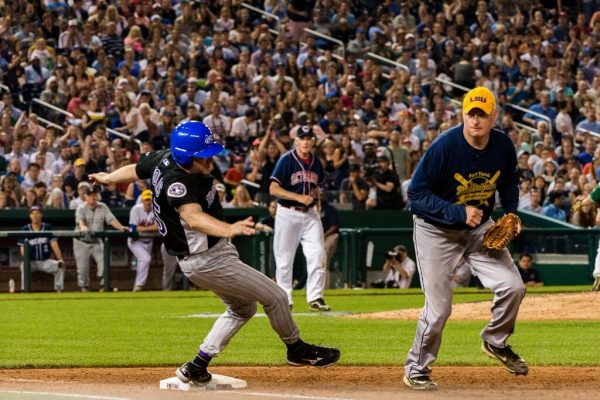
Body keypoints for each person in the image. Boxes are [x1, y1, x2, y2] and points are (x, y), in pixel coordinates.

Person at [89, 121, 340, 386]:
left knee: (242, 309)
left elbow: (136, 169)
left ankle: (196, 366)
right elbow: (194, 217)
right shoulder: (180, 181)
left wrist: (107, 177)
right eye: (204, 155)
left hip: (207, 256)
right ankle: (296, 349)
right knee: (277, 296)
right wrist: (228, 228)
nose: (210, 159)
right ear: (187, 156)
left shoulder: (164, 158)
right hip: (206, 259)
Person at [404, 87, 528, 391]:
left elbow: (510, 182)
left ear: (494, 117)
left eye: (482, 114)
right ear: (463, 114)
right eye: (471, 113)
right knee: (439, 308)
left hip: (478, 228)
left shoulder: (503, 146)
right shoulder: (444, 147)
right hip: (435, 230)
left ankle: (495, 341)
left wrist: (510, 212)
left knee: (513, 286)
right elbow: (415, 195)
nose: (475, 120)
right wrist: (458, 212)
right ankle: (416, 368)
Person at [269, 125, 330, 312]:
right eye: (302, 138)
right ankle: (285, 298)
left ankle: (315, 297)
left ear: (313, 141)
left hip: (310, 213)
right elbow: (273, 189)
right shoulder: (286, 160)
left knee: (318, 253)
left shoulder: (316, 162)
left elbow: (317, 186)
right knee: (285, 258)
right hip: (288, 212)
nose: (305, 141)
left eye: (309, 138)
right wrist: (297, 197)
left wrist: (316, 203)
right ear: (296, 140)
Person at [74, 186, 129, 292]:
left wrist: (121, 227)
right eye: (90, 195)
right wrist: (83, 227)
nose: (93, 198)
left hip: (96, 241)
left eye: (94, 195)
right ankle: (84, 287)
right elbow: (80, 221)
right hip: (81, 242)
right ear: (86, 197)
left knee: (104, 261)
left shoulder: (103, 206)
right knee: (82, 268)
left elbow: (111, 219)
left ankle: (104, 285)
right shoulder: (81, 207)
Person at [18, 206, 65, 292]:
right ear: (30, 216)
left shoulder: (47, 227)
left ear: (41, 215)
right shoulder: (25, 229)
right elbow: (22, 248)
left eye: (37, 213)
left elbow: (54, 244)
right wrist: (26, 260)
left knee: (60, 266)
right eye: (32, 214)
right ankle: (24, 290)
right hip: (31, 262)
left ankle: (59, 290)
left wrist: (60, 259)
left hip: (45, 261)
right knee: (23, 266)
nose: (35, 216)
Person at [128, 189, 158, 291]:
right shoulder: (136, 209)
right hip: (136, 241)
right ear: (142, 200)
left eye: (150, 200)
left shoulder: (157, 209)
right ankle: (138, 286)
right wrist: (150, 228)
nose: (148, 202)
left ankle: (137, 286)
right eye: (146, 200)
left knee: (143, 262)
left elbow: (159, 227)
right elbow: (134, 227)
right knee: (146, 259)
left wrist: (143, 228)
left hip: (149, 241)